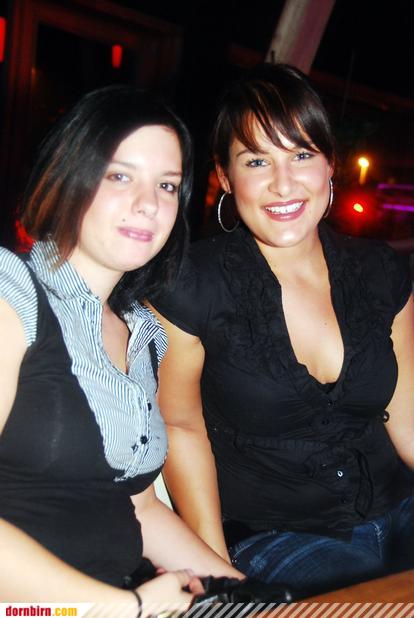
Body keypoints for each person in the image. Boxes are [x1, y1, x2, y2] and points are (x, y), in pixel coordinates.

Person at [149, 63, 414, 598]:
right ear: (225, 176)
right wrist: (217, 569)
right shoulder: (189, 283)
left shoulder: (381, 271)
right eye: (256, 160)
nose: (284, 183)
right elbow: (180, 426)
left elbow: (406, 408)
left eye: (302, 155)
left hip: (399, 504)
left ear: (330, 164)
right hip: (276, 535)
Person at [0, 85, 242, 615]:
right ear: (67, 176)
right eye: (119, 176)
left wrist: (245, 595)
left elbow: (140, 507)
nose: (148, 204)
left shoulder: (143, 334)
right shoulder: (10, 292)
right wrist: (122, 605)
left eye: (167, 185)